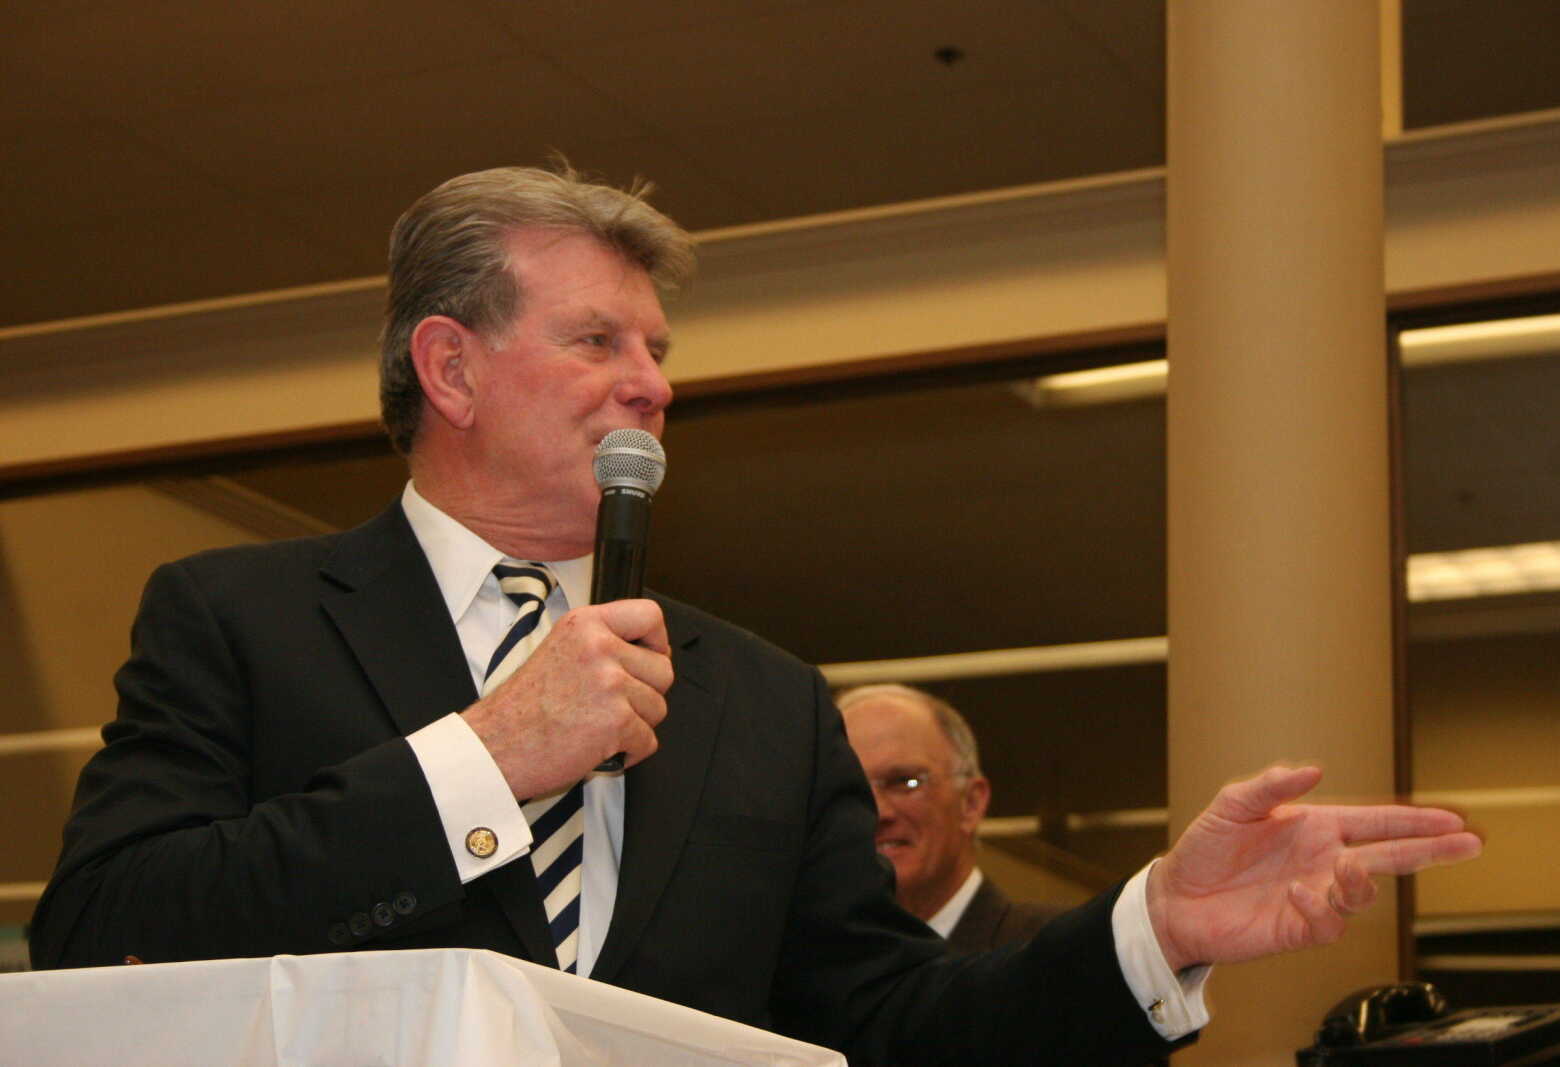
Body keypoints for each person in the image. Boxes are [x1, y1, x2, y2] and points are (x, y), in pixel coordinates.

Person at [29, 164, 1481, 1065]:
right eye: (597, 338)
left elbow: (890, 1023)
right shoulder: (237, 614)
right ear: (451, 368)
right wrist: (485, 758)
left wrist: (1154, 927)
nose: (653, 382)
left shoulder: (765, 696)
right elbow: (106, 929)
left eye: (659, 348)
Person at [838, 683, 1064, 955]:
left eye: (904, 781)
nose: (878, 812)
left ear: (971, 803)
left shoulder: (1053, 953)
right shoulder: (807, 967)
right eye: (851, 789)